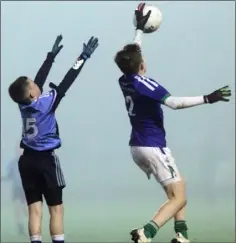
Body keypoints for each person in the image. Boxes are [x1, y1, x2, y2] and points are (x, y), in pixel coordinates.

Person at [114, 3, 231, 243]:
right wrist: (208, 98)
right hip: (152, 146)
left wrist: (139, 29)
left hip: (137, 146)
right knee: (179, 197)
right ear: (141, 64)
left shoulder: (125, 79)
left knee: (177, 189)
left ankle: (182, 235)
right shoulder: (147, 85)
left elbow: (133, 55)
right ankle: (146, 232)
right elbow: (174, 103)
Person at [8, 35, 99, 243]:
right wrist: (83, 57)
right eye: (32, 84)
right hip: (45, 160)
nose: (35, 82)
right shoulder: (46, 103)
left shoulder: (24, 104)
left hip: (26, 161)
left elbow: (37, 81)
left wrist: (50, 57)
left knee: (34, 210)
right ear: (31, 93)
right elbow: (68, 80)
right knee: (56, 209)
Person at [2, 147, 27, 236]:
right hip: (16, 188)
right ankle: (20, 227)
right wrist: (2, 178)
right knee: (17, 208)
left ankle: (32, 224)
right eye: (17, 149)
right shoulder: (13, 163)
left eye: (21, 149)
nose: (19, 151)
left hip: (25, 188)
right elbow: (9, 176)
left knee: (25, 210)